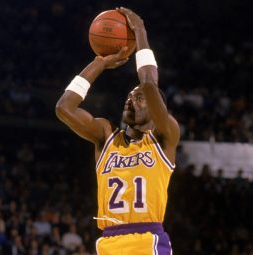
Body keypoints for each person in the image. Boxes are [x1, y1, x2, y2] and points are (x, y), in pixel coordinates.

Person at [55, 7, 180, 255]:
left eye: (140, 98)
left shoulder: (164, 137)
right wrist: (98, 63)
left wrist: (140, 32)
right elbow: (63, 107)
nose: (131, 99)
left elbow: (148, 83)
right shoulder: (105, 136)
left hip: (148, 239)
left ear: (157, 112)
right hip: (109, 242)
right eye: (129, 96)